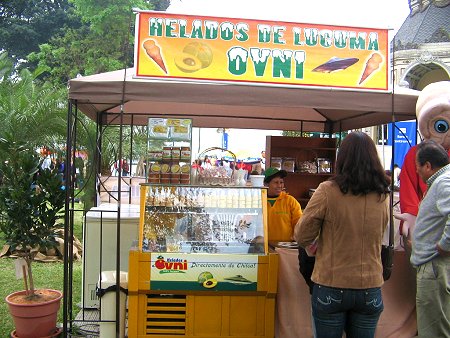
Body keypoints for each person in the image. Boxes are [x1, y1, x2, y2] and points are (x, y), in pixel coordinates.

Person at [294, 131, 390, 338]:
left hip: (332, 282)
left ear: (342, 157)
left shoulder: (328, 190)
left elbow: (302, 235)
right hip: (370, 284)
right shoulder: (383, 194)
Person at [404, 140, 449, 337]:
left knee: (433, 328)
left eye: (418, 168)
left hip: (434, 267)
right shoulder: (441, 181)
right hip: (434, 265)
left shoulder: (443, 182)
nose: (418, 173)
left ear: (428, 165)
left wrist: (444, 245)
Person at [264, 167, 302, 242]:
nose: (279, 185)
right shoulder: (259, 201)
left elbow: (299, 224)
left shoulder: (290, 201)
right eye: (276, 182)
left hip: (285, 248)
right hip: (263, 247)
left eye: (281, 182)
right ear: (266, 184)